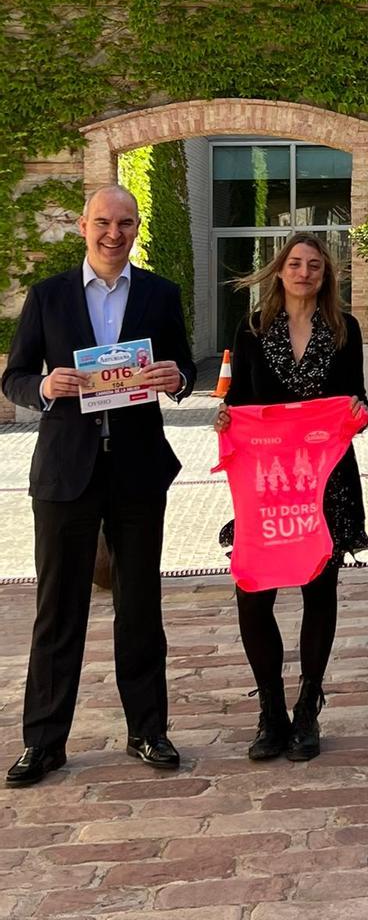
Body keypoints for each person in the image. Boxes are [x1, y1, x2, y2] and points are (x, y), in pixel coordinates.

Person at [2, 185, 195, 788]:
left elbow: (185, 368)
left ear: (137, 228)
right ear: (84, 226)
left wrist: (177, 378)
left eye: (127, 223)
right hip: (66, 471)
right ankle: (44, 741)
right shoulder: (49, 295)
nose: (115, 233)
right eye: (104, 223)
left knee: (140, 604)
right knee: (58, 609)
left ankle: (148, 730)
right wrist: (44, 389)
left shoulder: (161, 294)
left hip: (137, 469)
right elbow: (15, 376)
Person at [213, 233, 368, 762]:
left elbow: (358, 398)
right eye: (296, 264)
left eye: (315, 266)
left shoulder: (345, 330)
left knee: (318, 590)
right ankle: (271, 711)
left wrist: (356, 413)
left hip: (325, 481)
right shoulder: (253, 328)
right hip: (267, 482)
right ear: (279, 271)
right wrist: (225, 420)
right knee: (253, 590)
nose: (305, 272)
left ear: (325, 277)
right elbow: (237, 401)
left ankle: (307, 708)